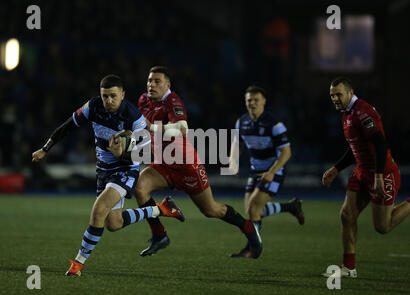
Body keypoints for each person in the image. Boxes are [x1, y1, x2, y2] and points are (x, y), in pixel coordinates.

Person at [32, 74, 185, 276]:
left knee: (99, 210)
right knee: (114, 223)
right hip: (103, 170)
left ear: (122, 94)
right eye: (105, 96)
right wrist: (45, 148)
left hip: (125, 169)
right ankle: (161, 209)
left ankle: (77, 264)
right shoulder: (93, 106)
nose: (109, 101)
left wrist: (122, 153)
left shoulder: (134, 117)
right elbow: (69, 125)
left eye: (113, 96)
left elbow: (148, 153)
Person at [134, 66, 262, 258]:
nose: (152, 84)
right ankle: (159, 236)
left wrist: (152, 127)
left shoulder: (172, 100)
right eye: (149, 81)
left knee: (211, 210)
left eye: (157, 81)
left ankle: (250, 230)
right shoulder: (143, 100)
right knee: (139, 188)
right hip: (163, 163)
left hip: (186, 166)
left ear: (167, 85)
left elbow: (182, 129)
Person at [321, 77, 410, 278]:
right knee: (347, 215)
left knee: (383, 227)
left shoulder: (363, 112)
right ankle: (349, 268)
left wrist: (378, 176)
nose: (335, 98)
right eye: (332, 95)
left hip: (382, 172)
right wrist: (336, 168)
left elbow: (380, 144)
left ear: (350, 93)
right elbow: (356, 147)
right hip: (362, 171)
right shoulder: (347, 113)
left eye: (338, 94)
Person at [228, 85, 304, 258]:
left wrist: (272, 171)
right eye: (249, 100)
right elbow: (236, 143)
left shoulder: (275, 125)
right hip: (256, 171)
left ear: (264, 102)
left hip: (274, 170)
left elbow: (286, 152)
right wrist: (233, 160)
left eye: (256, 100)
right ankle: (291, 206)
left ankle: (253, 248)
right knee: (252, 210)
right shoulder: (242, 122)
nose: (252, 103)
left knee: (254, 207)